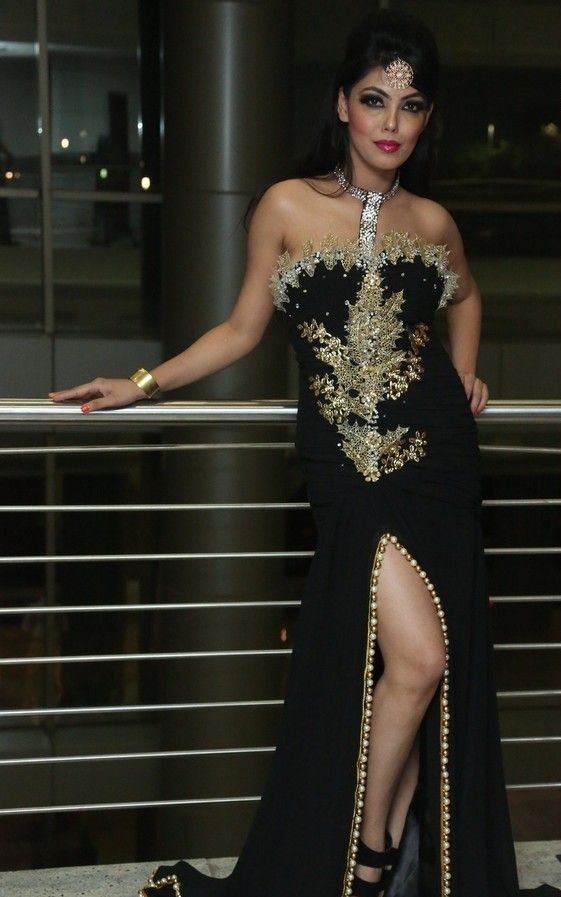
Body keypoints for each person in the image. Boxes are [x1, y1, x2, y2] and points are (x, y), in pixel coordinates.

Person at [50, 10, 522, 897]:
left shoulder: (431, 219)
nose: (390, 121)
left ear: (426, 118)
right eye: (374, 99)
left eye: (410, 105)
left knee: (427, 669)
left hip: (440, 461)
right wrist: (142, 382)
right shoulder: (286, 204)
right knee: (417, 660)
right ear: (341, 104)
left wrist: (464, 373)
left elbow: (464, 298)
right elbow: (240, 329)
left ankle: (378, 855)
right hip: (347, 468)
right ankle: (369, 855)